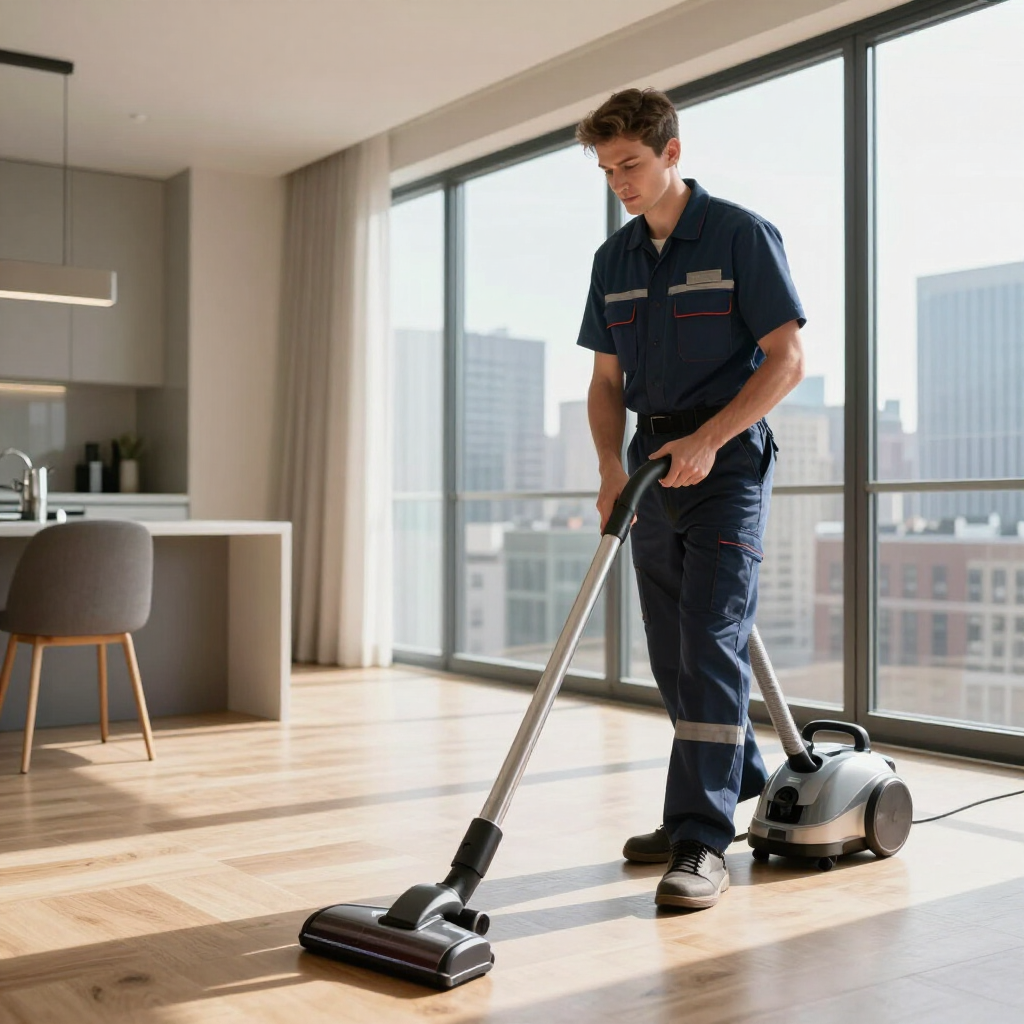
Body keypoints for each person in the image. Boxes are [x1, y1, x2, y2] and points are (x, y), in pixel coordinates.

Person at [575, 88, 806, 910]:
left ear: (672, 153)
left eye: (631, 164)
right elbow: (605, 382)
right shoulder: (615, 261)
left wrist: (710, 439)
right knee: (673, 648)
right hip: (648, 460)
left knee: (711, 637)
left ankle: (702, 837)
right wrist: (610, 463)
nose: (620, 182)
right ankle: (734, 774)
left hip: (728, 458)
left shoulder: (741, 234)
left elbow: (787, 360)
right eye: (606, 170)